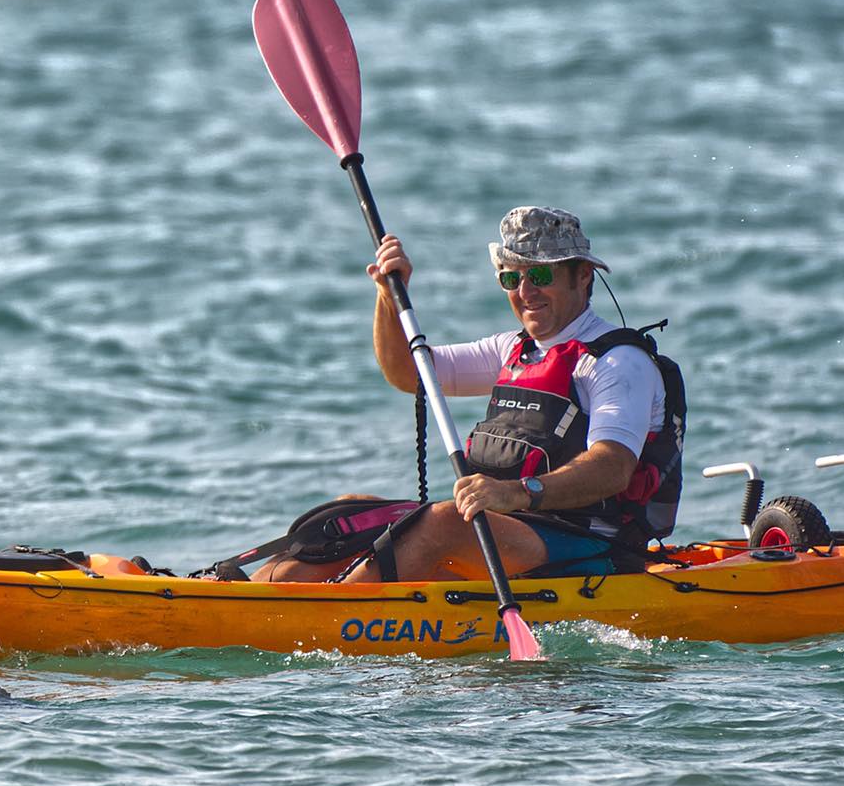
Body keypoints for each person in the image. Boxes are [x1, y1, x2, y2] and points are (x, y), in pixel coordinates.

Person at [255, 206, 684, 584]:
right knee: (352, 513)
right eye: (511, 278)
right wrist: (388, 296)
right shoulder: (511, 350)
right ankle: (246, 594)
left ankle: (327, 613)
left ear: (582, 275)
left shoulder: (617, 362)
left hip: (588, 545)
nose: (525, 292)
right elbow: (410, 373)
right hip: (504, 529)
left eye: (539, 275)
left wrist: (519, 493)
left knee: (443, 521)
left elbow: (612, 469)